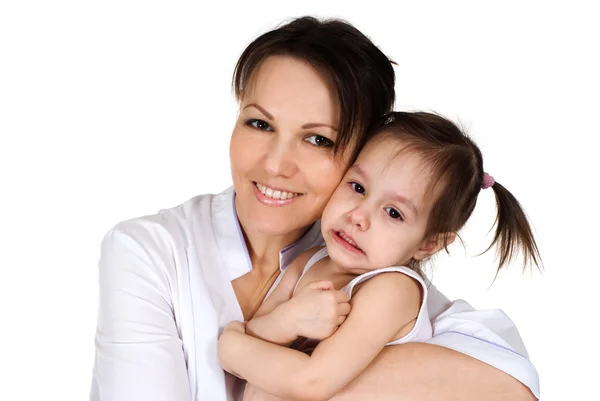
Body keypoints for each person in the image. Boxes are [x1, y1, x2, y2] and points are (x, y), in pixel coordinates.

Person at [90, 16, 540, 401]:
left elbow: (509, 383)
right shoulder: (150, 251)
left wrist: (254, 359)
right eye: (259, 123)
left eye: (318, 138)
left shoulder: (371, 263)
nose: (275, 164)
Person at [218, 111, 541, 401]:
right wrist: (286, 320)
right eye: (358, 187)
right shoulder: (309, 261)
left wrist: (230, 348)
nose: (359, 216)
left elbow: (311, 382)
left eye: (393, 213)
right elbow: (257, 334)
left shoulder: (392, 289)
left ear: (428, 244)